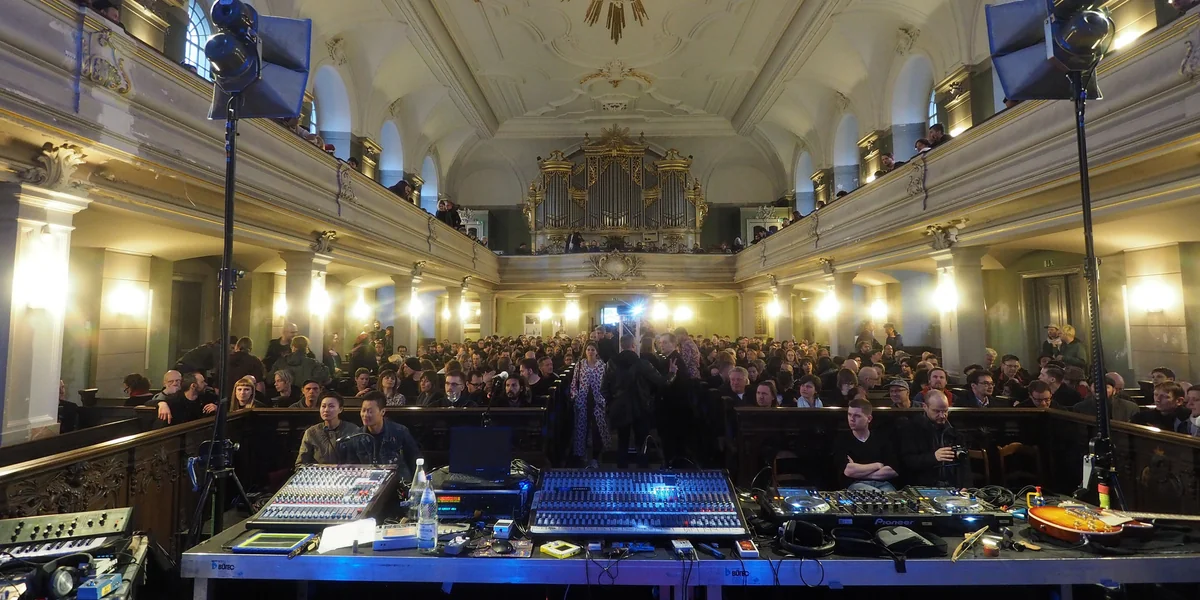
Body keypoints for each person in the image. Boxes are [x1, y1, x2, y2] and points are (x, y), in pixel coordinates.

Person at [601, 335, 677, 468]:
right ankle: (642, 473)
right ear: (633, 346)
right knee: (642, 443)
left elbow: (603, 389)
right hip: (640, 407)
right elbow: (662, 382)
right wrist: (672, 373)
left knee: (622, 442)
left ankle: (622, 473)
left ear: (621, 346)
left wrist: (612, 402)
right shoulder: (643, 364)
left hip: (620, 407)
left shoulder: (611, 363)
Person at [338, 392, 422, 479]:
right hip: (368, 483)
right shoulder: (356, 436)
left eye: (370, 411)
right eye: (363, 410)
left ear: (383, 412)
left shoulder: (400, 431)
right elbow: (352, 467)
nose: (365, 415)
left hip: (398, 482)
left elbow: (415, 460)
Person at [898, 390, 970, 487]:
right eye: (937, 411)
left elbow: (964, 464)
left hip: (952, 485)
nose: (942, 415)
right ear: (925, 407)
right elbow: (907, 461)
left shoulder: (954, 430)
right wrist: (933, 457)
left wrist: (965, 486)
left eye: (945, 411)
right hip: (923, 485)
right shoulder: (911, 428)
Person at [835, 399, 900, 491]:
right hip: (856, 484)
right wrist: (878, 465)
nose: (851, 419)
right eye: (849, 414)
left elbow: (893, 470)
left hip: (883, 483)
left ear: (869, 419)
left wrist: (859, 472)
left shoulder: (881, 438)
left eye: (857, 416)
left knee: (892, 497)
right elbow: (849, 471)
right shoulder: (842, 439)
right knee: (877, 495)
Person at [569, 342, 609, 467]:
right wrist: (575, 396)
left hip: (598, 401)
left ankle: (596, 457)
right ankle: (581, 454)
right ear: (585, 351)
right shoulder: (580, 365)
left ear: (597, 351)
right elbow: (574, 382)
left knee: (597, 429)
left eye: (592, 350)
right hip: (583, 400)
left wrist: (604, 399)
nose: (590, 352)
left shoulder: (602, 366)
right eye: (588, 349)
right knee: (582, 428)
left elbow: (606, 383)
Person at [297, 392, 360, 465]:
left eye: (331, 406)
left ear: (340, 409)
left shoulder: (353, 430)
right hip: (320, 471)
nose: (326, 410)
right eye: (323, 406)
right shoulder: (311, 432)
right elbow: (300, 464)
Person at [152, 372, 218, 428]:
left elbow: (222, 404)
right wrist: (162, 403)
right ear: (193, 386)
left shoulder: (207, 396)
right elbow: (149, 403)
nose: (206, 384)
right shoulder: (175, 400)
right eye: (202, 382)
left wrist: (216, 407)